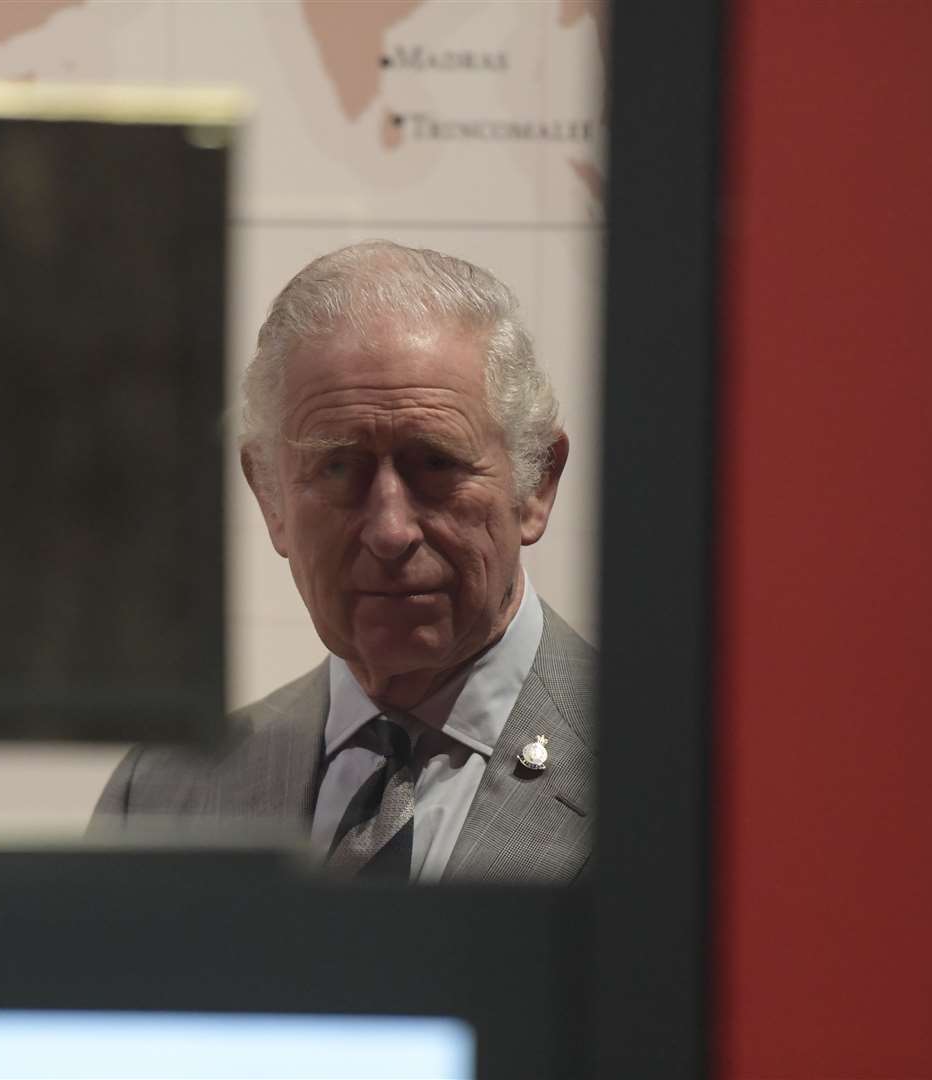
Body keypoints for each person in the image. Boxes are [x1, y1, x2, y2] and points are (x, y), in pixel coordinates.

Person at [91, 240, 596, 884]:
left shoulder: (680, 780)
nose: (390, 531)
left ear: (536, 485)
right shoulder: (164, 796)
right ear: (270, 497)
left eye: (435, 464)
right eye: (337, 468)